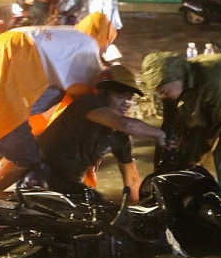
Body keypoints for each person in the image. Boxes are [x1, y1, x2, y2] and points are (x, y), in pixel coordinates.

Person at [0, 12, 118, 196]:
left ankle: (6, 175)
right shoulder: (88, 45)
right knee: (26, 157)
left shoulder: (67, 37)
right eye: (108, 43)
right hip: (7, 66)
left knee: (20, 143)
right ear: (103, 38)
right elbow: (91, 99)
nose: (105, 50)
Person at [141, 52, 221, 211]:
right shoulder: (175, 84)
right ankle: (187, 195)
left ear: (178, 79)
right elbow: (171, 122)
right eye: (158, 92)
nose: (162, 95)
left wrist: (197, 152)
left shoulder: (215, 77)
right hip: (209, 96)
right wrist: (171, 146)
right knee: (182, 148)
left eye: (163, 91)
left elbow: (217, 124)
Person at [35, 64, 168, 204]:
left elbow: (132, 181)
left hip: (70, 186)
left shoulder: (119, 137)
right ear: (104, 93)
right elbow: (125, 123)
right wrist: (159, 134)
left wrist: (134, 211)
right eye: (120, 96)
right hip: (40, 178)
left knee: (101, 210)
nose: (126, 103)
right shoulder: (88, 103)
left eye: (129, 98)